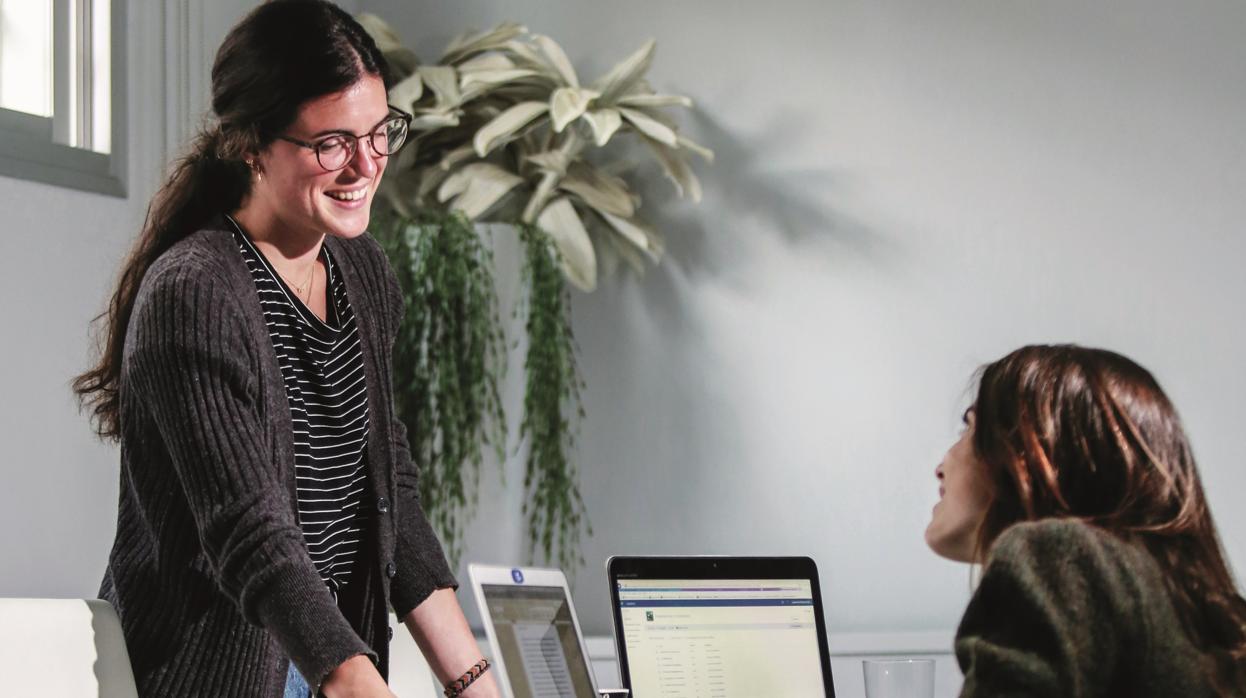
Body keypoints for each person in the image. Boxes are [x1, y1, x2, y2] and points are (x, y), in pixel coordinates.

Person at [73, 2, 500, 696]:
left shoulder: (362, 274)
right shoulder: (197, 293)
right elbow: (253, 536)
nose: (364, 165)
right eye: (332, 142)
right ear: (251, 143)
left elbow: (388, 492)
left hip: (335, 657)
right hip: (219, 675)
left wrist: (474, 680)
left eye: (378, 132)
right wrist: (353, 683)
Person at [925, 344, 1246, 696]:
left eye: (969, 429)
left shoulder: (1056, 557)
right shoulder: (1215, 615)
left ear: (1027, 450)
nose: (941, 468)